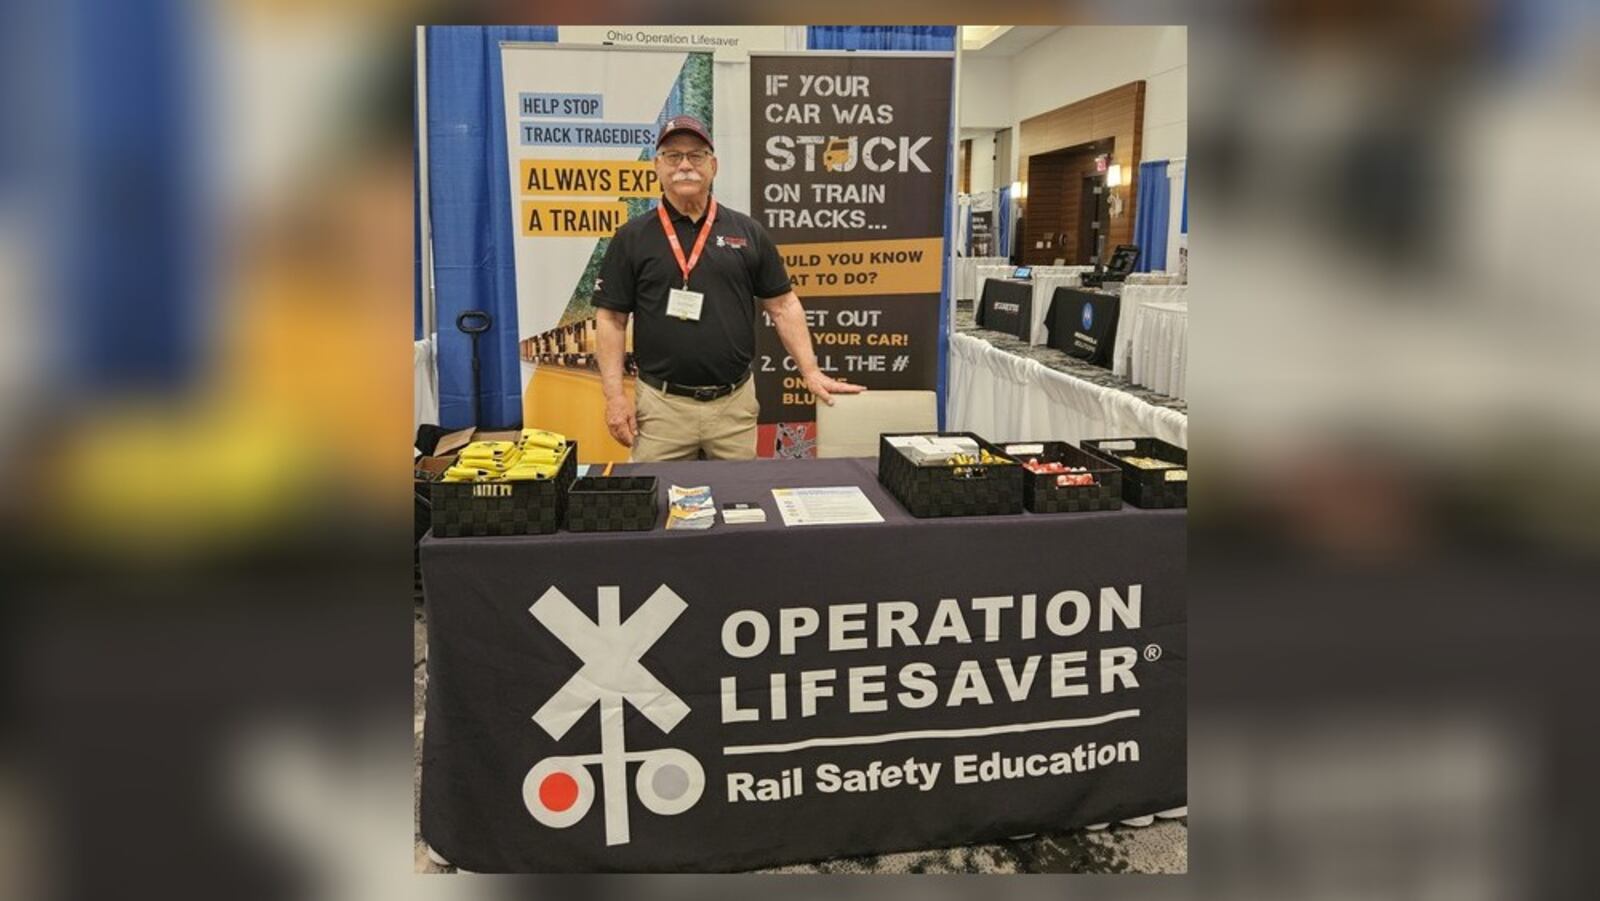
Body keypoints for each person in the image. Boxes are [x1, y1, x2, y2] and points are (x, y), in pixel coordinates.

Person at [593, 115, 863, 461]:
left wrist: (810, 372)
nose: (685, 165)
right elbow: (612, 318)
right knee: (659, 508)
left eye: (697, 155)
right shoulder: (632, 237)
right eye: (673, 156)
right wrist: (615, 398)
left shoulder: (748, 232)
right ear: (657, 166)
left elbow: (783, 306)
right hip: (661, 409)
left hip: (733, 408)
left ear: (713, 165)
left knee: (738, 505)